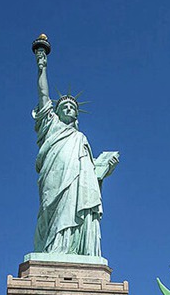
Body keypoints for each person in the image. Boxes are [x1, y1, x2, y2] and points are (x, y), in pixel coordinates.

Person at [32, 35, 119, 256]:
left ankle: (75, 251)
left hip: (77, 185)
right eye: (65, 106)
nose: (69, 108)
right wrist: (42, 67)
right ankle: (54, 251)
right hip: (55, 179)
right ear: (57, 111)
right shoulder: (50, 126)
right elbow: (43, 96)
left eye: (73, 107)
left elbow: (90, 174)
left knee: (76, 209)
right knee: (52, 212)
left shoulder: (81, 139)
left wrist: (102, 168)